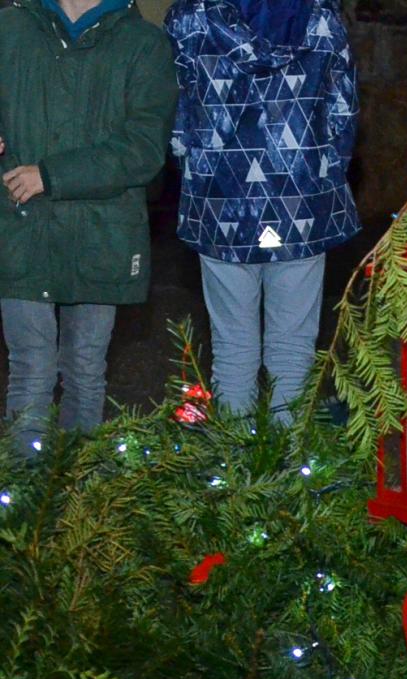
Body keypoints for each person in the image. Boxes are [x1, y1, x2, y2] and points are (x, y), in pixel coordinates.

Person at [167, 0, 359, 422]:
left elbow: (179, 116)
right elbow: (342, 113)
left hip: (221, 204)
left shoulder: (191, 17)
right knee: (293, 351)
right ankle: (286, 474)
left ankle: (237, 477)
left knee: (232, 349)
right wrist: (318, 171)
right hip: (301, 203)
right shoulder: (321, 18)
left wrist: (197, 169)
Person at [0, 0, 175, 440]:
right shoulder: (11, 28)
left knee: (83, 370)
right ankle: (28, 502)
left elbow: (143, 148)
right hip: (22, 227)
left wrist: (52, 174)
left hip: (101, 234)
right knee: (30, 369)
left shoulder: (143, 45)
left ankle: (79, 497)